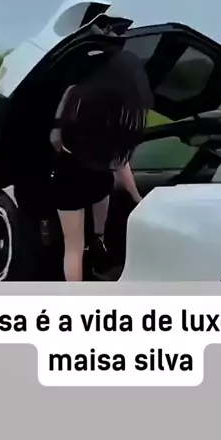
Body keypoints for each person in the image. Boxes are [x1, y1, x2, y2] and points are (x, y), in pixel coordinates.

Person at [49, 49, 153, 282]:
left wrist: (68, 150)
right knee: (98, 234)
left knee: (73, 247)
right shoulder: (121, 106)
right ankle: (99, 245)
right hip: (100, 179)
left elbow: (55, 139)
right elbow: (120, 162)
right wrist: (136, 196)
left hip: (69, 176)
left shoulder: (72, 94)